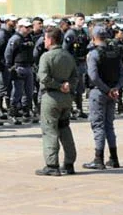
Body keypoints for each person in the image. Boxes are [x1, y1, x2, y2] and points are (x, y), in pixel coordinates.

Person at [83, 26, 123, 170]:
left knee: (98, 125)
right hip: (112, 93)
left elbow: (93, 76)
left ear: (94, 37)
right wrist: (116, 89)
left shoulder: (94, 54)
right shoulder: (114, 52)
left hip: (99, 92)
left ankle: (98, 159)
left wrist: (107, 90)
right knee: (109, 125)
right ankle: (114, 158)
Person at [35, 28, 78, 176]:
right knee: (65, 129)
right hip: (66, 98)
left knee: (50, 130)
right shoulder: (68, 56)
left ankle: (52, 165)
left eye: (46, 39)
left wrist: (58, 86)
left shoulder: (46, 57)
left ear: (51, 40)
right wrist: (67, 86)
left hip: (51, 97)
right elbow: (75, 77)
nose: (44, 41)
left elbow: (44, 78)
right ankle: (69, 162)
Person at [5, 19, 37, 125]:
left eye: (29, 27)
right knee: (17, 92)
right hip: (19, 67)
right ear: (20, 27)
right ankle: (12, 114)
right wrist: (10, 67)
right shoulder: (15, 38)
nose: (28, 29)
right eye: (26, 27)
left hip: (28, 67)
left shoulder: (29, 37)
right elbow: (8, 53)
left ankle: (25, 113)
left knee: (29, 92)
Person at [63, 13, 90, 119]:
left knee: (80, 88)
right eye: (80, 19)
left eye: (83, 19)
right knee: (71, 88)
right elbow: (65, 49)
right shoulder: (71, 33)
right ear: (75, 20)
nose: (82, 21)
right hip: (72, 63)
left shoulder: (83, 32)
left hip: (81, 63)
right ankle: (68, 110)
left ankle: (79, 109)